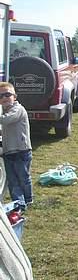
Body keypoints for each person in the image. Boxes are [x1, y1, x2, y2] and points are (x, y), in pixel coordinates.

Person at [0, 82, 33, 211]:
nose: (4, 98)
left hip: (21, 150)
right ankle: (19, 203)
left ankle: (28, 199)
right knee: (12, 180)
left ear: (15, 96)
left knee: (23, 177)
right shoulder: (4, 111)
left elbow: (7, 120)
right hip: (9, 151)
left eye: (7, 94)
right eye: (1, 96)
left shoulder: (17, 109)